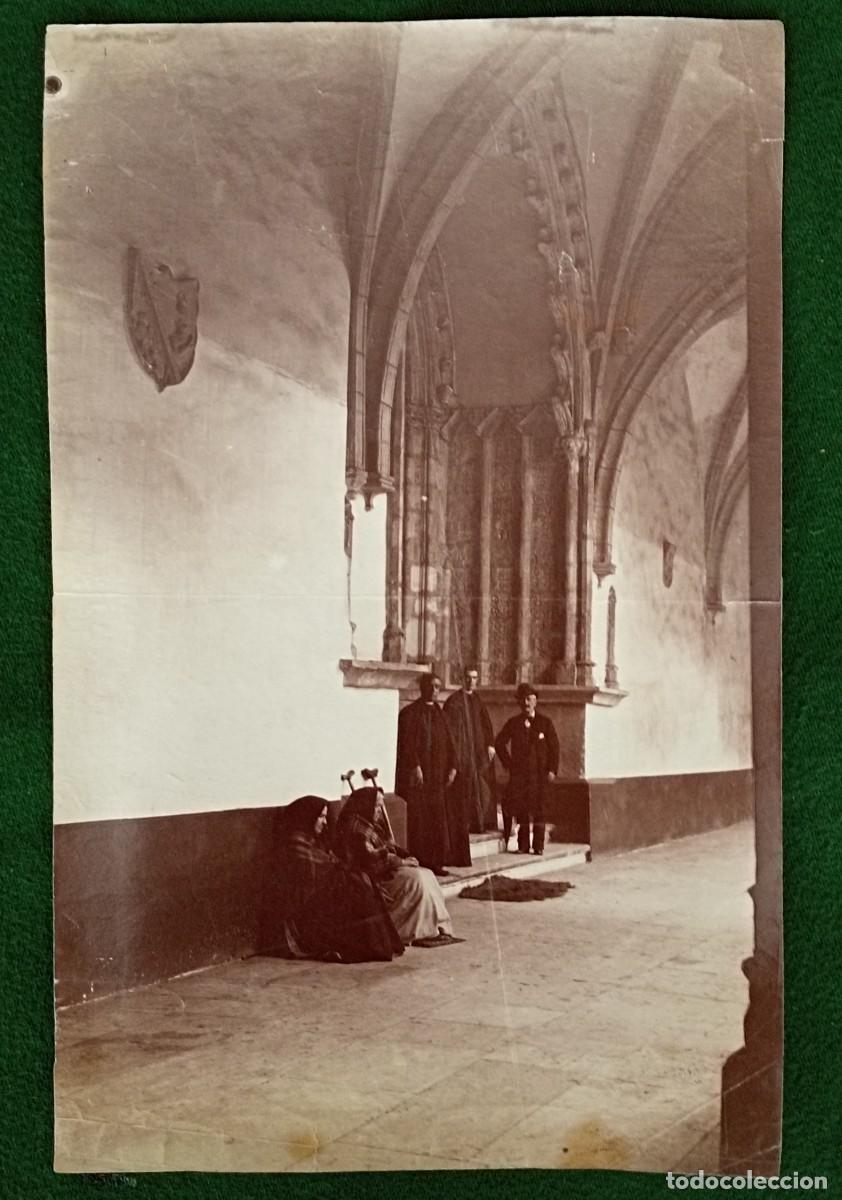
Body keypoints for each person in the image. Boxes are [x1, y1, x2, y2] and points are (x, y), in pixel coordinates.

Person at [277, 795, 404, 963]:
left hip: (322, 899)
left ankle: (376, 945)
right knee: (354, 888)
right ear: (307, 818)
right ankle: (365, 946)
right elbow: (314, 879)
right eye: (321, 817)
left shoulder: (314, 842)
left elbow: (330, 864)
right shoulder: (295, 846)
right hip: (307, 912)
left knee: (359, 883)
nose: (325, 822)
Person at [336, 788, 455, 946]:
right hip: (369, 880)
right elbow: (368, 860)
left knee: (426, 875)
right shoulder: (355, 827)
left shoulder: (368, 824)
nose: (379, 810)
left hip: (383, 872)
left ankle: (438, 925)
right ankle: (411, 930)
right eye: (377, 806)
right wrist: (400, 862)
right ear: (366, 805)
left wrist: (402, 856)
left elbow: (385, 849)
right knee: (415, 880)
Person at [395, 673, 469, 872]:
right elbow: (407, 744)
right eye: (432, 686)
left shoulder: (441, 714)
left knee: (437, 820)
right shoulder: (410, 713)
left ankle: (436, 862)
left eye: (438, 686)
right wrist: (415, 765)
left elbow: (451, 743)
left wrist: (453, 767)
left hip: (438, 777)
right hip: (420, 778)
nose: (435, 691)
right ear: (423, 688)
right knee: (421, 820)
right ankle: (421, 859)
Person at [494, 683, 560, 855]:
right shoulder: (513, 723)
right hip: (521, 775)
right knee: (522, 809)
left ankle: (538, 846)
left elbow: (555, 748)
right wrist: (509, 764)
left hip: (540, 775)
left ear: (535, 701)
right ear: (518, 702)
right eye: (523, 699)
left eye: (530, 699)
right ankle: (523, 845)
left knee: (540, 810)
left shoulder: (545, 723)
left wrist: (552, 769)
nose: (526, 703)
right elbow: (499, 743)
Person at [444, 667, 498, 835]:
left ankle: (480, 822)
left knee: (480, 786)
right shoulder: (454, 701)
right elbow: (448, 729)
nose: (471, 681)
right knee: (464, 787)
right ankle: (464, 824)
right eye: (468, 678)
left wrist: (490, 744)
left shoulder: (477, 700)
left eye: (474, 678)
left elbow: (486, 725)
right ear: (463, 679)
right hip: (462, 752)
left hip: (478, 751)